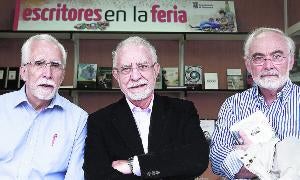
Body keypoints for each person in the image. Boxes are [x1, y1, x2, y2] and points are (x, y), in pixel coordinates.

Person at [83, 36, 209, 179]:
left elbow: (198, 158)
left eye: (142, 66)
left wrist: (135, 165)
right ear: (116, 75)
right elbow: (96, 176)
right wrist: (169, 164)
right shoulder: (99, 121)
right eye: (126, 69)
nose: (135, 76)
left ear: (156, 70)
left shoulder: (182, 111)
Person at [210, 27, 300, 179]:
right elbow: (218, 160)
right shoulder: (233, 105)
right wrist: (287, 164)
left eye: (277, 56)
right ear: (248, 64)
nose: (268, 66)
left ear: (290, 61)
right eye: (259, 58)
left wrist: (254, 157)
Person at [0, 34, 88, 179]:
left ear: (62, 75)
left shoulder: (78, 119)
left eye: (55, 65)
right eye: (39, 63)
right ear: (23, 72)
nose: (48, 74)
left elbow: (75, 176)